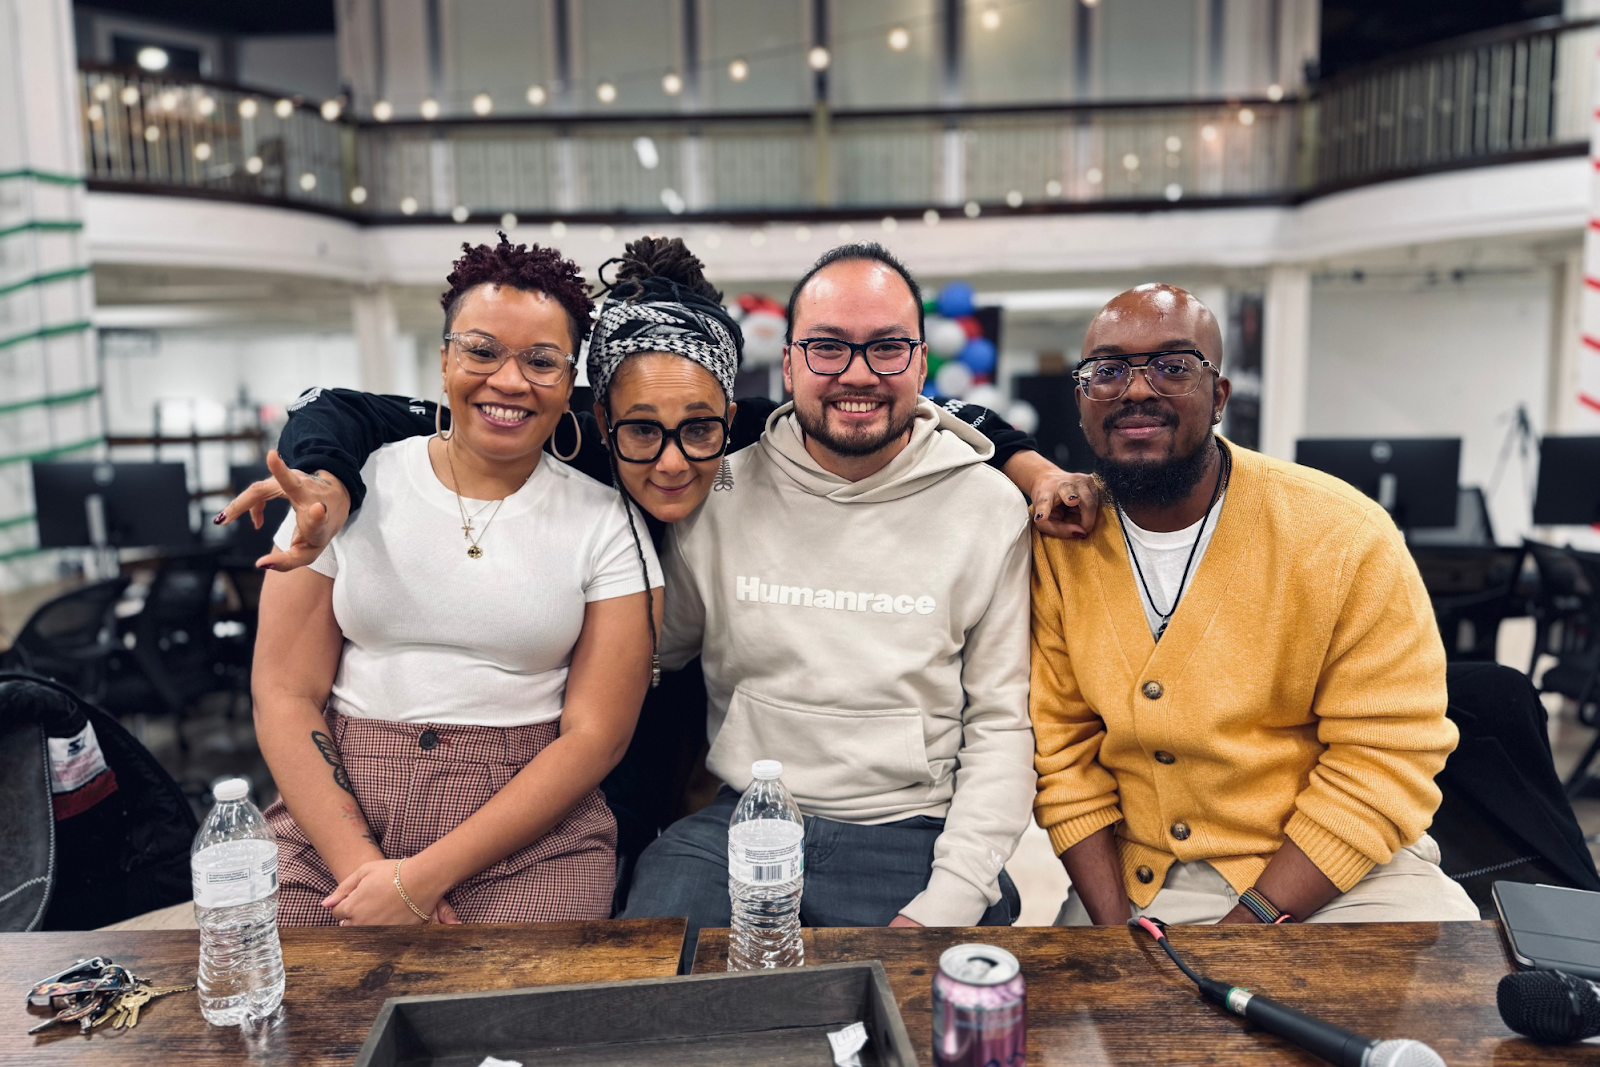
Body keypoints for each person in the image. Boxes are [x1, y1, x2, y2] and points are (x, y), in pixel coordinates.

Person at [222, 236, 1101, 904]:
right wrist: (328, 479)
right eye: (640, 428)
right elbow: (343, 408)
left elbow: (920, 409)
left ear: (734, 413)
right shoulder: (562, 440)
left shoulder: (755, 441)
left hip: (752, 750)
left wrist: (1027, 468)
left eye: (699, 429)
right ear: (594, 411)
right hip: (666, 732)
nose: (674, 459)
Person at [620, 242, 1037, 946]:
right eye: (827, 348)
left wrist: (954, 891)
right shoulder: (715, 489)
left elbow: (1003, 726)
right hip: (743, 820)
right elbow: (652, 656)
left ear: (923, 363)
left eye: (887, 349)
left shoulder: (989, 506)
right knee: (644, 976)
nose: (858, 374)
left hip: (911, 833)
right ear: (787, 364)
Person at [1030, 283, 1479, 926]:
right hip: (1141, 883)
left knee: (1451, 1016)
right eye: (1107, 370)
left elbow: (1388, 754)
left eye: (1172, 366)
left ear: (1218, 397)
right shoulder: (1061, 545)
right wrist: (1112, 934)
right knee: (1085, 1023)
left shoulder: (1343, 533)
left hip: (1339, 873)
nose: (1134, 389)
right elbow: (1063, 756)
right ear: (1081, 401)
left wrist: (1248, 930)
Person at [250, 237, 660, 925]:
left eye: (541, 361)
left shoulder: (605, 522)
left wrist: (421, 880)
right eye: (481, 350)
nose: (509, 380)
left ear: (569, 384)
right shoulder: (347, 488)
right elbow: (285, 690)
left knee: (517, 1016)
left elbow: (597, 734)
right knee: (289, 1008)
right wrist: (366, 874)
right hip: (339, 811)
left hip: (531, 830)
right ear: (444, 360)